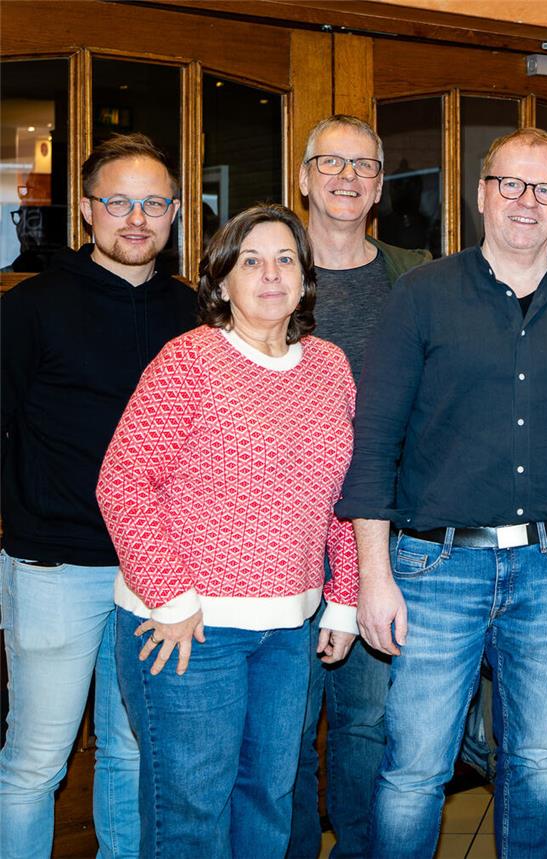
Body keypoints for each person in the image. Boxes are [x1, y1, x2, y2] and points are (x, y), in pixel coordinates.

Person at [337, 127, 547, 858]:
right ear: (480, 194)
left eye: (544, 188)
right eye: (511, 184)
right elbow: (374, 446)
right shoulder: (420, 297)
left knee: (536, 760)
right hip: (436, 571)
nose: (526, 201)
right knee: (414, 769)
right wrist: (372, 577)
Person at [96, 204, 360, 858]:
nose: (270, 275)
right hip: (190, 628)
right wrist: (175, 597)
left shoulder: (330, 366)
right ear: (220, 282)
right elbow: (122, 481)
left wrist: (346, 598)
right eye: (251, 260)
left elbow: (342, 497)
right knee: (192, 817)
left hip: (289, 630)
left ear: (304, 279)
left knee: (268, 803)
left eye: (285, 260)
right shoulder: (190, 360)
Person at [0, 133, 195, 859]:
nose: (136, 218)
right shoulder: (32, 310)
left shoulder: (193, 313)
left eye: (153, 203)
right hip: (57, 569)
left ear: (175, 212)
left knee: (133, 755)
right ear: (87, 210)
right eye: (118, 202)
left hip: (158, 580)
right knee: (35, 762)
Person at [288, 114, 429, 859]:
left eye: (364, 165)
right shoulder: (268, 264)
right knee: (284, 723)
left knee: (367, 720)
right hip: (280, 536)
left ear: (380, 184)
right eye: (331, 163)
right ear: (304, 176)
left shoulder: (414, 269)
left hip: (383, 534)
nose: (347, 178)